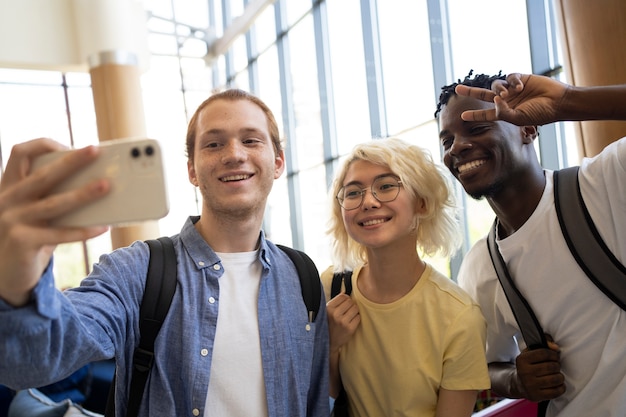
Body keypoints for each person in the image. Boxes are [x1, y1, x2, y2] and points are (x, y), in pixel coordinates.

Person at [0, 89, 329, 417]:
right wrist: (17, 282)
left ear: (277, 162)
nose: (234, 154)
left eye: (251, 140)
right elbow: (34, 360)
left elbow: (314, 399)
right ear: (192, 171)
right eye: (213, 143)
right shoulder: (137, 270)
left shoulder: (301, 275)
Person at [435, 71, 626, 416]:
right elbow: (485, 365)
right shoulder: (481, 266)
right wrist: (517, 380)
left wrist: (568, 102)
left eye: (477, 128)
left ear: (527, 128)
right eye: (446, 141)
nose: (457, 147)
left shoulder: (605, 182)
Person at [323, 137, 490, 417]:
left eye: (386, 186)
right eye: (353, 192)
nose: (368, 202)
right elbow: (316, 403)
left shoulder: (459, 316)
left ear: (422, 204)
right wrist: (329, 346)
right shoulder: (330, 288)